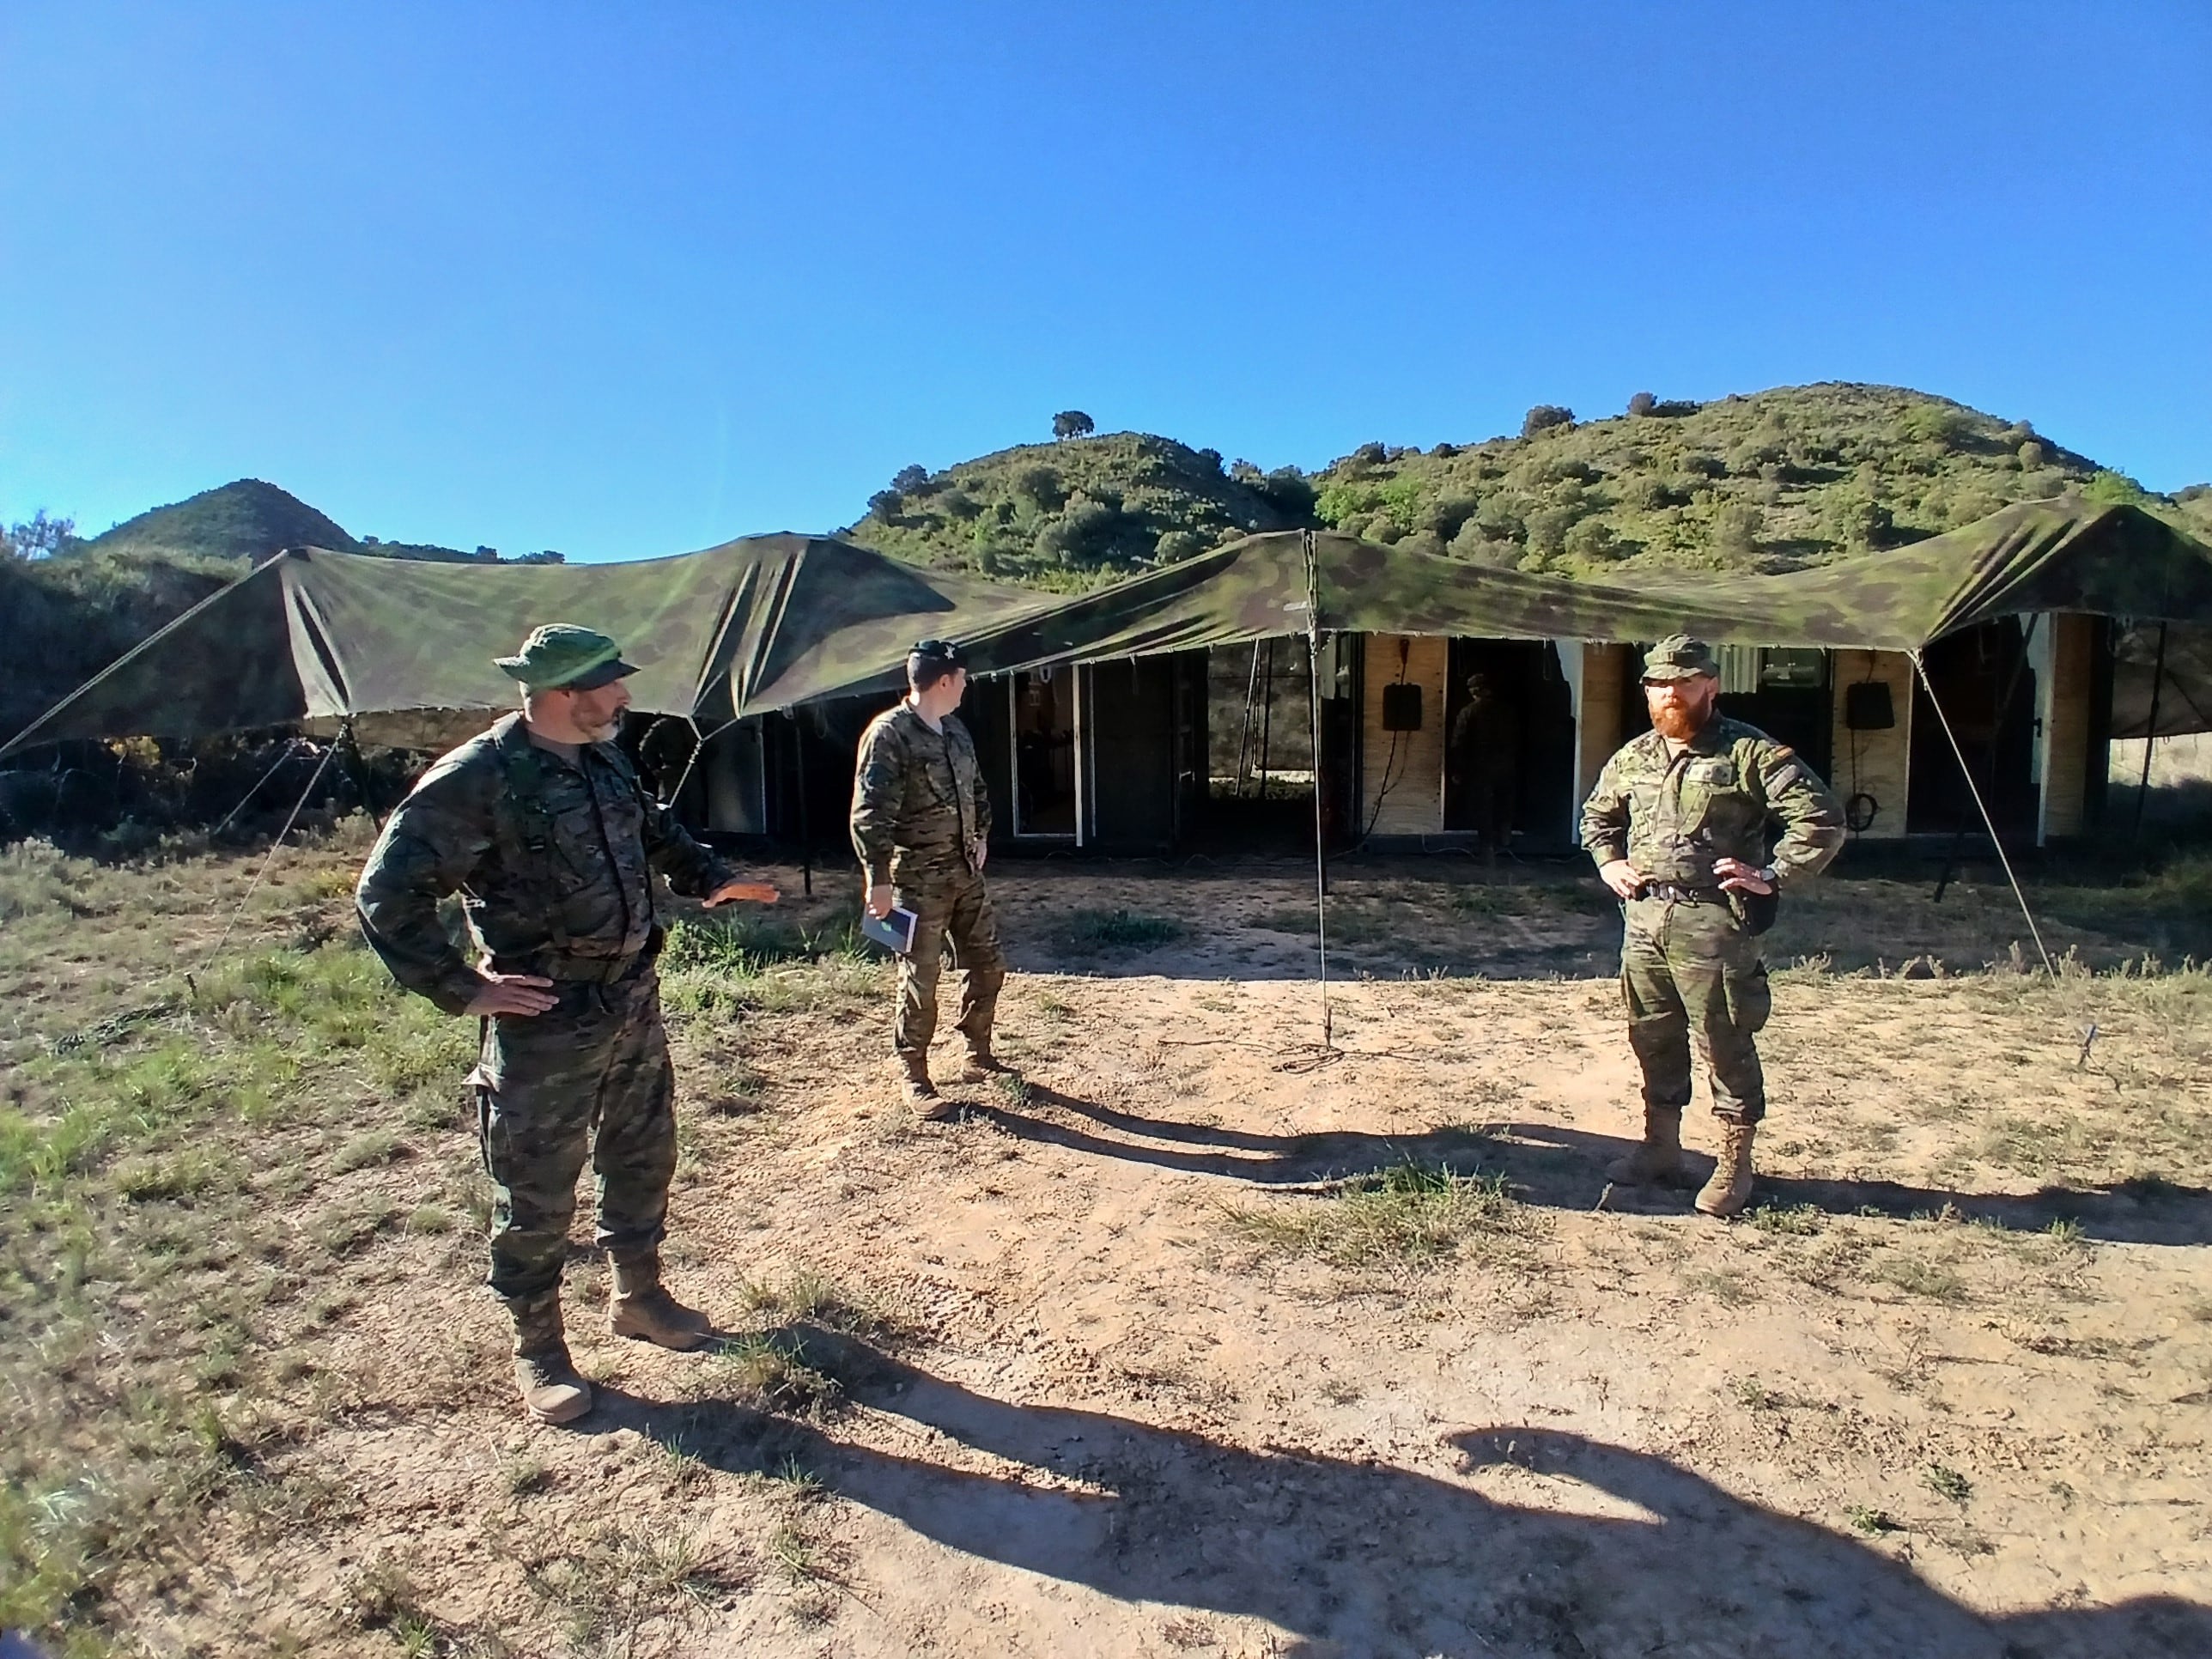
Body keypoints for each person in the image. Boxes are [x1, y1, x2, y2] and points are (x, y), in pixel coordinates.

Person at [356, 623, 777, 1425]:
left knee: (642, 1153)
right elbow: (386, 893)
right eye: (609, 685)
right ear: (563, 694)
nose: (624, 696)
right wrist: (462, 987)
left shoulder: (605, 756)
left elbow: (656, 830)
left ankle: (640, 1298)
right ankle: (539, 1351)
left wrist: (711, 878)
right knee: (537, 1189)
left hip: (629, 999)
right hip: (544, 1019)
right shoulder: (479, 777)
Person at [1579, 635, 1844, 1217]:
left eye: (1684, 681)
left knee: (1723, 1040)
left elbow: (1821, 820)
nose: (1671, 692)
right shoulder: (1635, 756)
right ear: (1646, 690)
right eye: (1659, 683)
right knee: (1652, 1034)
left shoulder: (1748, 753)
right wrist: (1610, 863)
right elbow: (1597, 817)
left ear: (1710, 686)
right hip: (1646, 919)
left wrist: (1772, 875)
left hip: (1714, 924)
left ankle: (1732, 1164)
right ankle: (1660, 1147)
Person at [849, 638, 1009, 1116]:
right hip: (913, 880)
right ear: (944, 680)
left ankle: (977, 1054)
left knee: (989, 963)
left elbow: (977, 788)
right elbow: (869, 812)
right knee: (921, 978)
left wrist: (980, 834)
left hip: (963, 871)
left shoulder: (955, 731)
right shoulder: (889, 735)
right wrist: (876, 877)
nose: (965, 686)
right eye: (962, 678)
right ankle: (914, 1075)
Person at [1448, 669, 1521, 859]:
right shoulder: (1507, 711)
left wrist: (1457, 769)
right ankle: (1505, 839)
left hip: (1479, 767)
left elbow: (1458, 742)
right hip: (1506, 765)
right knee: (1505, 803)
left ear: (1475, 691)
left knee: (1483, 807)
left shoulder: (1468, 712)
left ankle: (1487, 846)